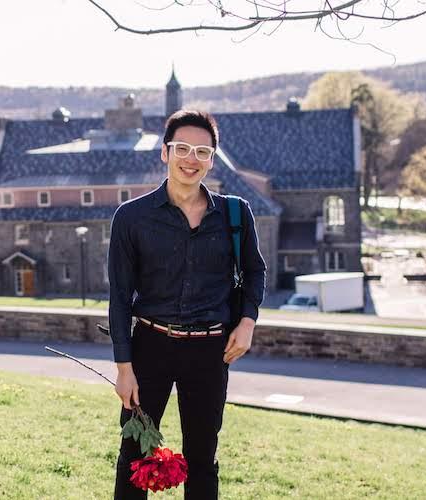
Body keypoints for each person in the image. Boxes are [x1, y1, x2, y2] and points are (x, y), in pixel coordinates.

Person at [107, 109, 266, 499]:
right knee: (135, 456)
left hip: (210, 352)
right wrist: (124, 369)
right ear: (165, 153)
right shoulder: (131, 218)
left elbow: (255, 272)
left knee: (202, 458)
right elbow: (120, 297)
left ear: (212, 159)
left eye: (202, 151)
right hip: (150, 348)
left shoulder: (235, 214)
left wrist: (246, 323)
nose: (191, 159)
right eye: (182, 148)